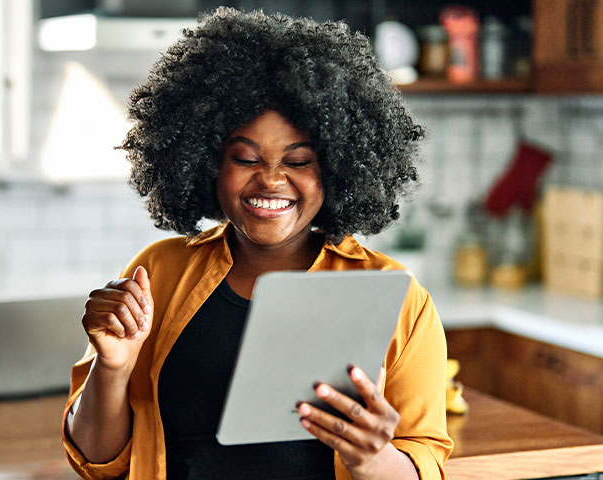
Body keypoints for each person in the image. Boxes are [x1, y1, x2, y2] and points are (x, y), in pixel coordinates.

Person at [62, 7, 453, 480]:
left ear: (337, 168)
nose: (270, 180)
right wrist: (112, 367)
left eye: (300, 160)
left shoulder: (395, 297)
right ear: (205, 160)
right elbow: (96, 463)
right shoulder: (157, 273)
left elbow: (423, 466)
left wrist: (374, 456)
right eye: (245, 157)